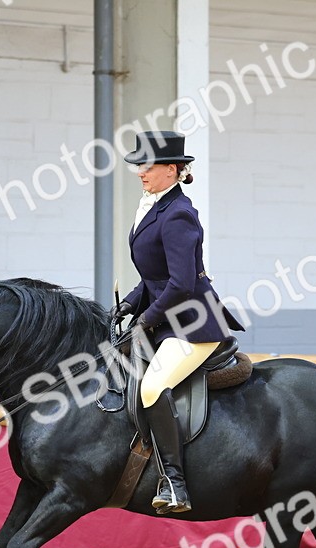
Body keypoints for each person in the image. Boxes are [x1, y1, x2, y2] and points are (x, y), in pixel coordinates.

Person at [113, 130, 244, 515]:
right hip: (166, 317)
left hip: (192, 322)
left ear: (172, 169)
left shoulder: (179, 214)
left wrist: (146, 321)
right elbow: (155, 278)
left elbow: (182, 284)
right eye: (139, 165)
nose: (140, 172)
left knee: (152, 385)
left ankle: (174, 481)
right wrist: (129, 307)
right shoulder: (153, 208)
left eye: (148, 165)